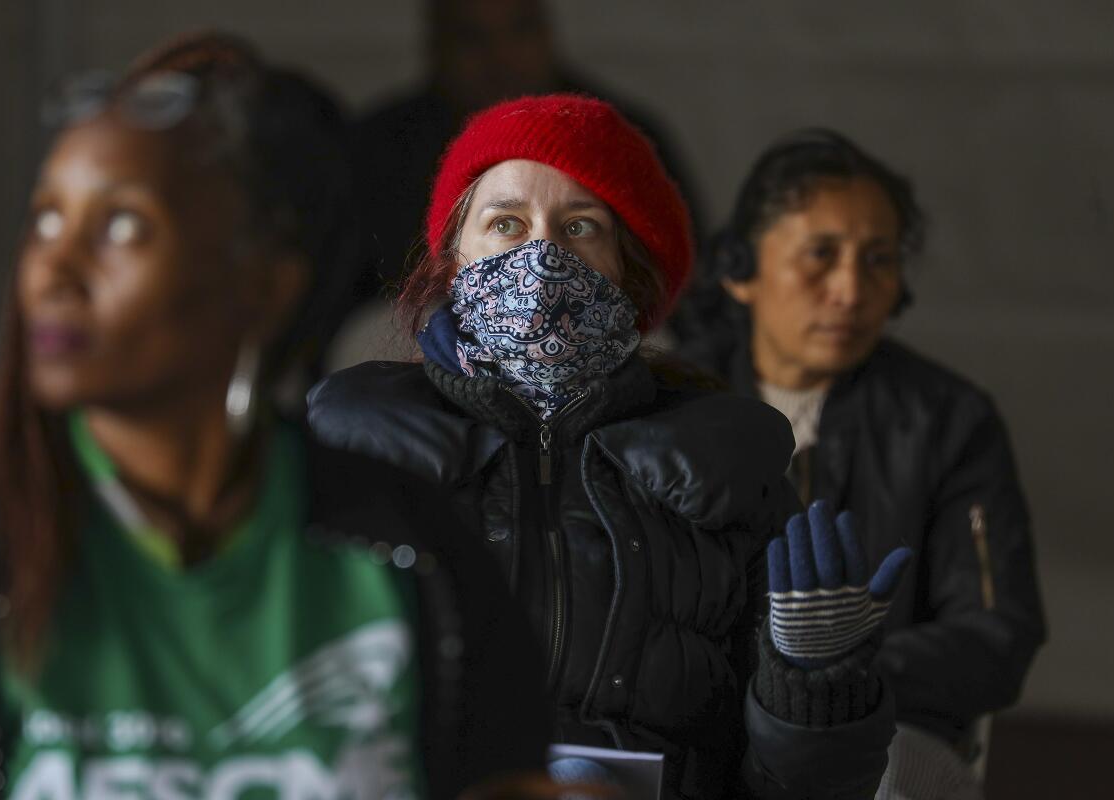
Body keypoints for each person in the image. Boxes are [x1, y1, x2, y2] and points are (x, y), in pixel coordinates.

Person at [0, 33, 550, 799]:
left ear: (264, 285)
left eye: (123, 226)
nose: (55, 269)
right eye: (46, 220)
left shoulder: (413, 549)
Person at [309, 94, 910, 799]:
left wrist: (814, 686)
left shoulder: (732, 472)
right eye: (505, 222)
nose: (539, 255)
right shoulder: (345, 445)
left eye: (579, 226)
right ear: (452, 257)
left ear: (630, 268)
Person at [674, 129, 1047, 798]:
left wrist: (833, 675)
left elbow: (997, 634)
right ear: (740, 269)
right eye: (821, 255)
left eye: (878, 260)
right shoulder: (671, 404)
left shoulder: (947, 421)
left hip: (884, 733)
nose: (850, 289)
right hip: (697, 723)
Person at [343, 0, 702, 307]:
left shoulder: (620, 141)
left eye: (520, 30)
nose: (500, 57)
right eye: (471, 38)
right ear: (436, 46)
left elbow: (682, 281)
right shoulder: (378, 150)